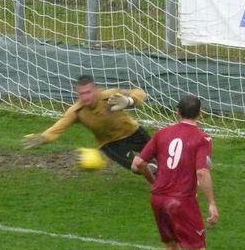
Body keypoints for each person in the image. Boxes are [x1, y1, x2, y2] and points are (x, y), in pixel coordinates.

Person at [131, 95, 218, 250]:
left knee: (171, 246)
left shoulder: (162, 133)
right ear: (200, 114)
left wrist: (154, 181)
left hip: (158, 199)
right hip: (182, 201)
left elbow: (137, 164)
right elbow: (201, 173)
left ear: (176, 113)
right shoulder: (202, 137)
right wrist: (211, 203)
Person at [23, 75, 153, 180]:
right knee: (137, 167)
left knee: (163, 155)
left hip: (132, 131)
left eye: (88, 92)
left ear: (96, 90)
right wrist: (43, 137)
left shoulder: (111, 95)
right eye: (81, 94)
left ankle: (162, 175)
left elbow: (139, 93)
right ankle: (160, 181)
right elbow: (59, 126)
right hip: (110, 143)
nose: (85, 97)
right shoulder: (77, 111)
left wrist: (129, 101)